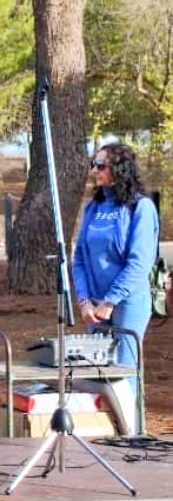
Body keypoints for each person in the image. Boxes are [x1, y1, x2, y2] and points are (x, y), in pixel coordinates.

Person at [72, 142, 159, 399]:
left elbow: (140, 262)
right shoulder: (93, 208)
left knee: (123, 372)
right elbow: (79, 259)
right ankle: (104, 434)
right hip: (95, 307)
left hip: (127, 302)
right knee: (98, 372)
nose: (94, 171)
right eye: (93, 164)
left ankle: (130, 433)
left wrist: (111, 300)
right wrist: (84, 301)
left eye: (100, 165)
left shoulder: (140, 208)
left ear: (119, 169)